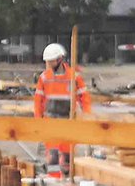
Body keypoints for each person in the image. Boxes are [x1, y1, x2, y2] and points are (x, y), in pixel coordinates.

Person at [33, 41, 91, 176]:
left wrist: (88, 115)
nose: (48, 65)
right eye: (47, 62)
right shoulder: (44, 77)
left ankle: (66, 178)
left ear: (60, 60)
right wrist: (38, 120)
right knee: (52, 156)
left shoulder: (74, 77)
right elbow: (38, 101)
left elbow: (84, 97)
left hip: (68, 121)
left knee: (66, 156)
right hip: (50, 122)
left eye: (51, 61)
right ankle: (54, 181)